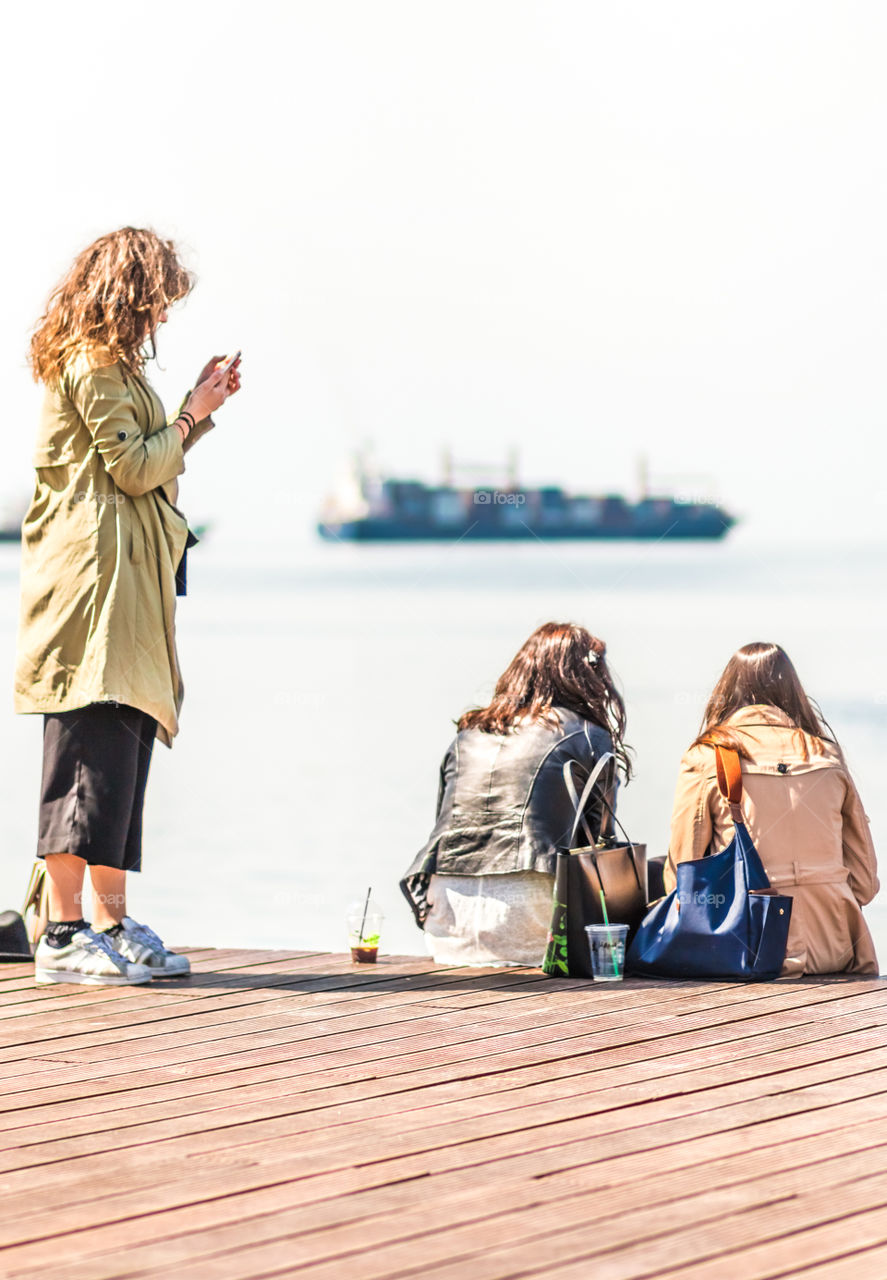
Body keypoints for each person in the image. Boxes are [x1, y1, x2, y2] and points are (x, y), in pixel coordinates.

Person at [15, 226, 241, 986]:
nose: (165, 317)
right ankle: (65, 935)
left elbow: (140, 458)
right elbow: (139, 467)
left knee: (121, 755)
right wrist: (190, 414)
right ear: (133, 294)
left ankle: (110, 922)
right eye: (160, 301)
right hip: (94, 591)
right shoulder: (92, 362)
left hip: (127, 587)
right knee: (85, 755)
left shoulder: (110, 365)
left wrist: (192, 412)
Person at [401, 622, 632, 966]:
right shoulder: (588, 734)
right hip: (534, 923)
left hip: (447, 919)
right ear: (586, 675)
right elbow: (600, 842)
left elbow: (443, 821)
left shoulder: (470, 732)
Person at [666, 642, 879, 977]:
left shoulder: (709, 756)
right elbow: (865, 883)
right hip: (838, 948)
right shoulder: (826, 754)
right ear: (793, 691)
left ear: (727, 690)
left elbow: (683, 877)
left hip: (747, 948)